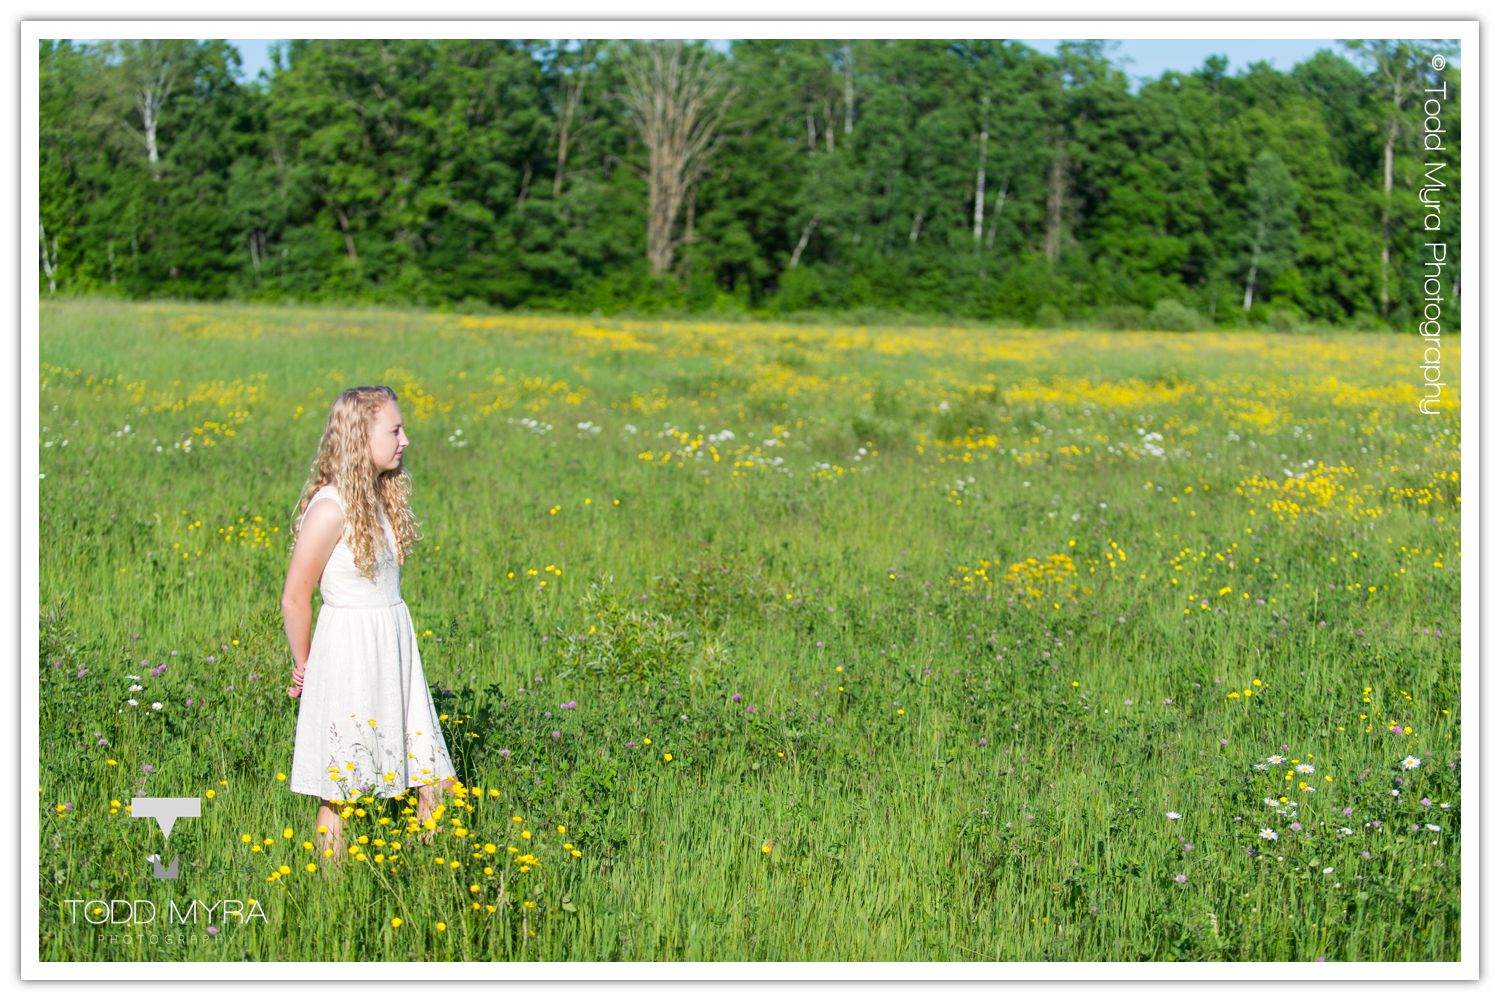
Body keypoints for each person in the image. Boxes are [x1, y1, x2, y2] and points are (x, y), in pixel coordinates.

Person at [281, 385, 457, 858]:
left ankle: (429, 877)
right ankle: (328, 897)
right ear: (361, 437)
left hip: (394, 644)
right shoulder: (331, 507)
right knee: (341, 790)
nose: (406, 440)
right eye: (395, 430)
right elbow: (296, 596)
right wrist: (305, 667)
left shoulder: (379, 496)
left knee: (436, 779)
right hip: (350, 653)